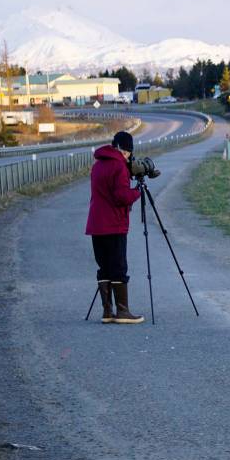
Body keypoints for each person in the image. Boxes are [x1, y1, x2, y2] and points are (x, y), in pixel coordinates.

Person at [85, 131, 144, 324]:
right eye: (128, 153)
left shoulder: (98, 165)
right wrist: (137, 192)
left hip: (96, 224)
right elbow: (121, 196)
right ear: (124, 151)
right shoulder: (118, 166)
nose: (128, 158)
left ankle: (107, 312)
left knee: (104, 267)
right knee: (118, 267)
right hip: (114, 224)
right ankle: (123, 312)